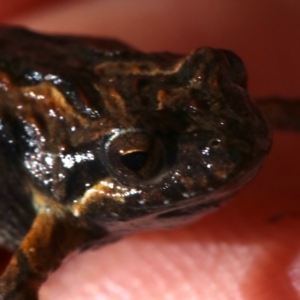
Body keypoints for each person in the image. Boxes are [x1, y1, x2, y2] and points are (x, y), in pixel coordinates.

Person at [1, 0, 300, 299]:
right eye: (137, 160)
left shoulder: (226, 124)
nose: (223, 144)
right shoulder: (55, 225)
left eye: (230, 84)